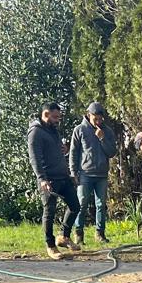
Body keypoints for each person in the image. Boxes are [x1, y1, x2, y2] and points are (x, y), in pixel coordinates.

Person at [27, 102, 78, 259]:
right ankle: (50, 245)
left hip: (63, 176)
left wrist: (64, 149)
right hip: (49, 179)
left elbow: (54, 150)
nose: (58, 120)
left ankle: (63, 236)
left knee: (75, 206)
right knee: (49, 212)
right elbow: (34, 158)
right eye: (55, 117)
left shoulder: (53, 130)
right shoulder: (35, 133)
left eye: (59, 117)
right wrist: (42, 179)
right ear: (46, 114)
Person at [69, 101, 118, 247]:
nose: (98, 121)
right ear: (88, 115)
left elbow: (112, 152)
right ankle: (78, 234)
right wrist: (73, 172)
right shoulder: (79, 130)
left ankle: (100, 234)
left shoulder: (108, 131)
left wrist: (102, 138)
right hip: (85, 174)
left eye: (100, 119)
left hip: (102, 174)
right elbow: (73, 152)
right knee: (81, 204)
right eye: (95, 118)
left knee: (101, 205)